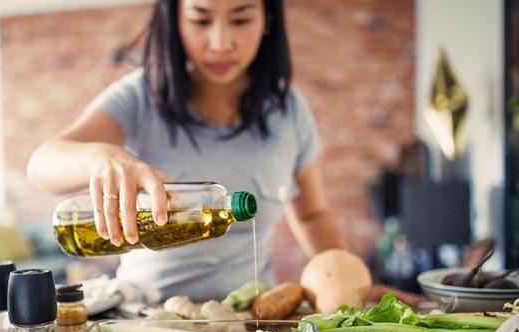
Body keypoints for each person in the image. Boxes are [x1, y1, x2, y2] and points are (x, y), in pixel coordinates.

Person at [27, 0, 422, 304]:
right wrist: (102, 157)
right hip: (147, 317)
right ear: (175, 19)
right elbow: (43, 163)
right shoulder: (139, 96)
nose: (220, 43)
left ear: (267, 19)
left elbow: (313, 213)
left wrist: (350, 282)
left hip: (252, 318)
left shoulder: (289, 110)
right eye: (201, 20)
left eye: (240, 19)